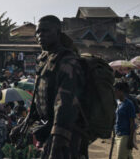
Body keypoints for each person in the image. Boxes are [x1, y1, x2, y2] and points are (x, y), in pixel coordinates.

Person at [12, 15, 86, 158]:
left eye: (45, 31)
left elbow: (65, 106)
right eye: (38, 32)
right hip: (50, 132)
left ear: (58, 33)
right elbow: (38, 96)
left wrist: (57, 143)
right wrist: (24, 125)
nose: (40, 35)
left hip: (66, 136)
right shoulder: (45, 59)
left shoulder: (67, 61)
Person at [114, 82, 136, 159]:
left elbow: (132, 123)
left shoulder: (129, 104)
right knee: (127, 156)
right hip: (118, 134)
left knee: (121, 157)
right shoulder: (118, 103)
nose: (114, 93)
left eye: (115, 91)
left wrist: (130, 139)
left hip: (125, 135)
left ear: (121, 91)